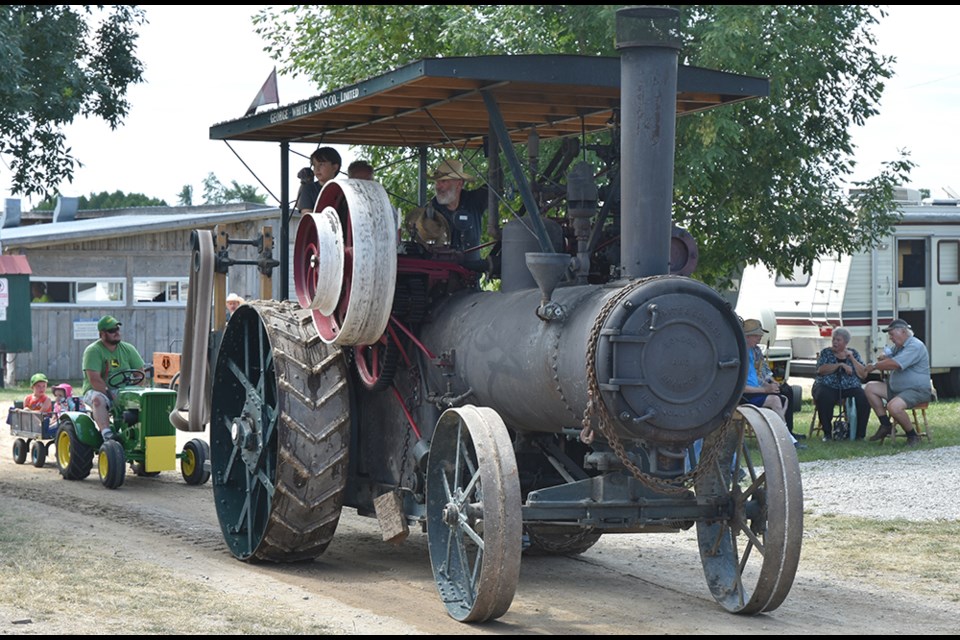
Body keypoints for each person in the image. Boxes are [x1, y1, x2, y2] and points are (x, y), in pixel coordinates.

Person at [864, 319, 931, 446]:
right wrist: (884, 355)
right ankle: (886, 425)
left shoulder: (915, 346)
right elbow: (888, 353)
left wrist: (875, 365)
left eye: (892, 334)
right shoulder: (899, 346)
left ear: (903, 332)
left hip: (916, 390)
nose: (891, 338)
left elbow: (895, 364)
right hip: (898, 390)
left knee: (893, 406)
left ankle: (912, 436)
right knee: (870, 387)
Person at [740, 318, 804, 448]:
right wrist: (765, 389)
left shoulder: (755, 351)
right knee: (775, 400)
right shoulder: (738, 353)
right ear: (747, 336)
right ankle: (786, 438)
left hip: (755, 388)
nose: (760, 338)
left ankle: (782, 434)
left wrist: (770, 383)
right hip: (744, 395)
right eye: (757, 335)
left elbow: (762, 372)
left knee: (784, 394)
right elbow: (741, 386)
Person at [411, 158, 489, 263]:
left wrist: (491, 149)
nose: (438, 186)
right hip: (440, 276)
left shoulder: (474, 201)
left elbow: (496, 186)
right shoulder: (429, 211)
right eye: (437, 182)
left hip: (471, 277)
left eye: (443, 181)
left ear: (459, 184)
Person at [81, 315, 145, 441]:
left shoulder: (128, 349)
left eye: (117, 329)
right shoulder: (93, 351)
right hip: (99, 390)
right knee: (98, 400)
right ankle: (106, 433)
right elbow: (94, 380)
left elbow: (140, 374)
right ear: (102, 334)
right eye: (112, 331)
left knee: (145, 401)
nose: (116, 332)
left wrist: (136, 392)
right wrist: (111, 396)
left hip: (124, 390)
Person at [812, 327, 870, 441]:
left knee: (863, 397)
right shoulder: (826, 353)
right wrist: (840, 365)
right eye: (834, 339)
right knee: (824, 396)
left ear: (846, 342)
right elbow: (820, 370)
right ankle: (827, 433)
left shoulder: (853, 353)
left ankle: (859, 434)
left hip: (849, 386)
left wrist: (852, 358)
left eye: (838, 340)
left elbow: (863, 374)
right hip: (828, 385)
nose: (835, 342)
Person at [296, 146, 342, 214]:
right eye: (314, 165)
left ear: (334, 167)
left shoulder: (342, 190)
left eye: (321, 164)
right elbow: (307, 218)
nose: (317, 169)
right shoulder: (308, 189)